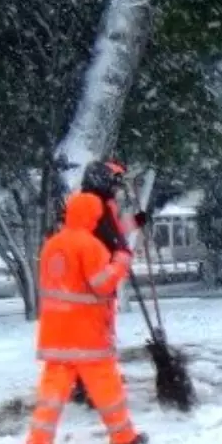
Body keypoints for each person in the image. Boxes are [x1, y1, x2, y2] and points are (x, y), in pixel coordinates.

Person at [25, 192, 147, 444]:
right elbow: (102, 284)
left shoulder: (51, 245)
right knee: (107, 387)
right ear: (93, 216)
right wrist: (120, 263)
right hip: (86, 333)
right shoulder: (90, 246)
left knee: (51, 394)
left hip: (55, 332)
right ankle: (123, 438)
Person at [71, 159, 148, 406]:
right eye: (114, 181)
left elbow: (115, 231)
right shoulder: (93, 205)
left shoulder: (103, 203)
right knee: (97, 334)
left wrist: (135, 223)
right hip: (95, 280)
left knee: (98, 333)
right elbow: (105, 236)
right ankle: (93, 384)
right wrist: (119, 254)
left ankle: (88, 381)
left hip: (102, 277)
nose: (117, 186)